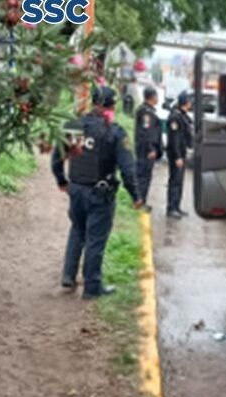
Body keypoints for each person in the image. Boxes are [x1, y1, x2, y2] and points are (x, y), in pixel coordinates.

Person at [52, 86, 143, 299]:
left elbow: (57, 156)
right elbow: (128, 169)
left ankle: (68, 275)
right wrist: (136, 196)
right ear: (112, 106)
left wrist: (61, 180)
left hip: (76, 189)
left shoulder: (73, 125)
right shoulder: (115, 132)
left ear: (94, 102)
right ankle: (92, 289)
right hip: (99, 194)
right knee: (95, 239)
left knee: (77, 229)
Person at [166, 90, 193, 219]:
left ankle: (176, 206)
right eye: (189, 101)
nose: (191, 104)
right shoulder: (175, 117)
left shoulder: (183, 116)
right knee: (175, 182)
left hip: (181, 154)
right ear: (185, 103)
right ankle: (171, 208)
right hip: (176, 155)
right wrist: (177, 157)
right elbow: (174, 139)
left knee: (179, 182)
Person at [134, 86, 162, 210]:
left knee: (145, 175)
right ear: (152, 97)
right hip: (146, 150)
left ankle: (142, 200)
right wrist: (151, 149)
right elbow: (146, 132)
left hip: (144, 148)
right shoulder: (146, 113)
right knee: (143, 176)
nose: (158, 98)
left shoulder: (147, 110)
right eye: (156, 96)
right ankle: (140, 201)